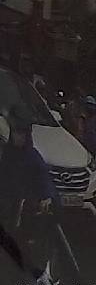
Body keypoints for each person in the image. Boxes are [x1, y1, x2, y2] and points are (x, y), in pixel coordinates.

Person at [0, 117, 57, 276]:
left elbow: (44, 178)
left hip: (24, 203)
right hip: (6, 199)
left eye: (22, 134)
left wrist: (47, 196)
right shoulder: (7, 153)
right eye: (16, 133)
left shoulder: (33, 156)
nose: (18, 137)